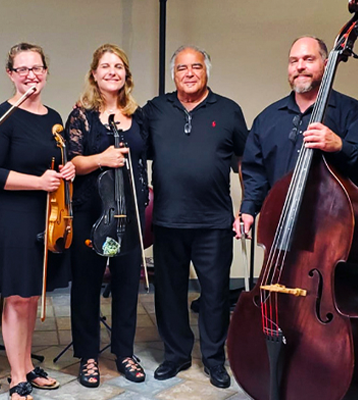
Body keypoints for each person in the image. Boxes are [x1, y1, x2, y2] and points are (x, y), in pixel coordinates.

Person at [142, 45, 248, 389]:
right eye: (182, 68)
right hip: (168, 221)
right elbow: (128, 141)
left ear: (207, 72)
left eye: (196, 67)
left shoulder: (229, 111)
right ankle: (176, 355)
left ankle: (215, 360)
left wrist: (246, 209)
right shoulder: (155, 110)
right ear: (174, 74)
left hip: (214, 222)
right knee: (169, 293)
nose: (189, 73)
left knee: (215, 294)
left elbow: (244, 162)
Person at [0, 42, 74, 400]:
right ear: (11, 74)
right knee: (17, 298)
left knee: (33, 296)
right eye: (23, 70)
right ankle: (17, 375)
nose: (31, 75)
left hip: (45, 216)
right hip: (12, 216)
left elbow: (54, 162)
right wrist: (38, 182)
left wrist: (67, 168)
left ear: (45, 72)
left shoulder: (53, 117)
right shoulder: (1, 116)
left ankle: (29, 365)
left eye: (36, 69)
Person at [65, 44, 148, 388]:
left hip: (129, 211)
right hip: (91, 210)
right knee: (86, 282)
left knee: (128, 282)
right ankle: (87, 355)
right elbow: (73, 163)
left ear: (126, 75)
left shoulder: (139, 114)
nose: (112, 71)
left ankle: (124, 351)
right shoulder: (81, 115)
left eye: (119, 66)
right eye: (105, 66)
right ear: (94, 74)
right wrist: (104, 157)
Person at [236, 36, 358, 235]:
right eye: (294, 61)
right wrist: (249, 210)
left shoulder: (351, 111)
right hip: (281, 230)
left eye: (308, 59)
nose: (300, 66)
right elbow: (255, 173)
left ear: (327, 64)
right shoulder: (267, 118)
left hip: (334, 232)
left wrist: (339, 146)